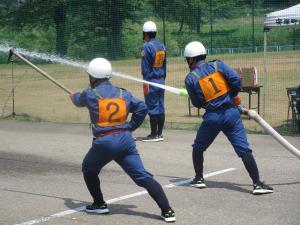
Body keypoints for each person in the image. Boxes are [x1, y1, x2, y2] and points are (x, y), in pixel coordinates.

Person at [69, 58, 175, 222]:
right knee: (142, 176)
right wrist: (131, 126)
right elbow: (142, 107)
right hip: (126, 141)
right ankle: (167, 211)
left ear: (93, 77)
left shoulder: (90, 94)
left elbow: (78, 101)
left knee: (88, 169)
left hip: (105, 142)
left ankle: (99, 204)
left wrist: (72, 96)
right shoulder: (123, 93)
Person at [183, 41, 273, 195]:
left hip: (212, 117)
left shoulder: (190, 78)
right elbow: (236, 81)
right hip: (232, 113)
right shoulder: (219, 65)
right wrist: (231, 95)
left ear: (191, 59)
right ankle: (257, 183)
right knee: (244, 149)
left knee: (198, 148)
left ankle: (198, 179)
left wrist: (208, 101)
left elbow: (197, 103)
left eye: (187, 59)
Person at [140, 21, 167, 142]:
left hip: (150, 81)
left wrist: (145, 83)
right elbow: (164, 65)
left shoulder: (146, 47)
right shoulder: (162, 46)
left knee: (152, 107)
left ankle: (153, 134)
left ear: (145, 34)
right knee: (160, 106)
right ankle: (159, 134)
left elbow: (145, 69)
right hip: (161, 80)